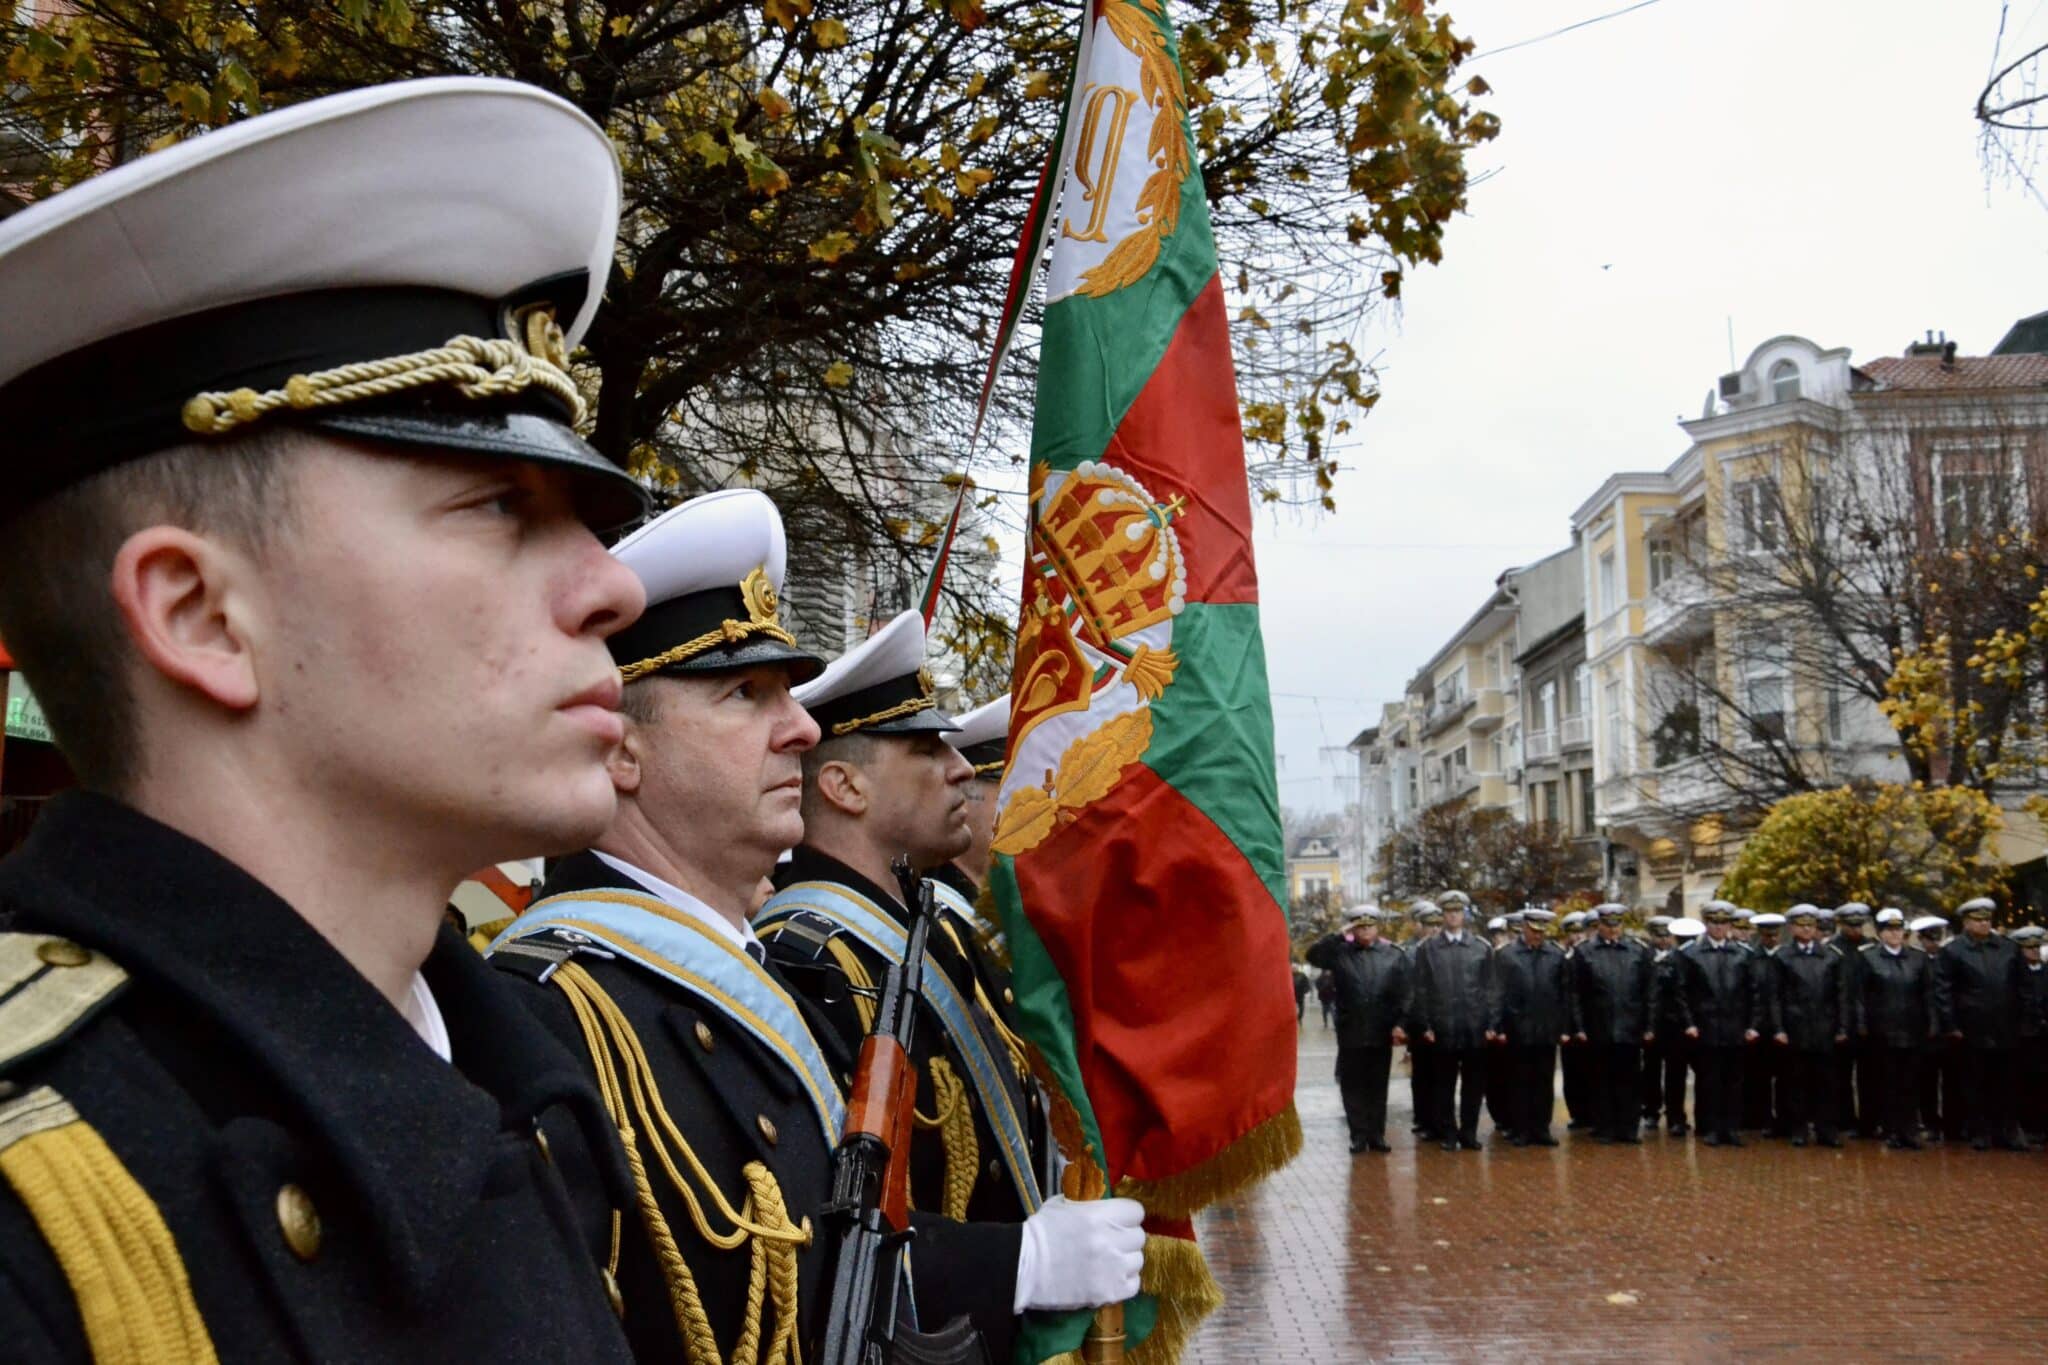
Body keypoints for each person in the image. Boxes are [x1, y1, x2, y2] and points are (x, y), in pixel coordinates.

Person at [0, 80, 657, 1359]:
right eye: (496, 508)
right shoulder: (37, 1221)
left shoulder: (505, 1076)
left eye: (581, 518)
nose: (613, 588)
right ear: (202, 616)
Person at [761, 612, 1047, 1223]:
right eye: (926, 748)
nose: (960, 768)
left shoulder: (926, 930)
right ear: (845, 787)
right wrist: (1020, 1260)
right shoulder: (806, 960)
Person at [1308, 908, 1412, 1153]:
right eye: (1360, 927)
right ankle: (1358, 1134)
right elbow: (1313, 955)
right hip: (1351, 1030)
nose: (1365, 931)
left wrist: (1401, 1024)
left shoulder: (1393, 954)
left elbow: (1406, 993)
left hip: (1381, 1030)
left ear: (1377, 928)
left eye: (1369, 926)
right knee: (1352, 1085)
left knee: (1378, 1085)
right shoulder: (1340, 953)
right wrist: (1338, 934)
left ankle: (1377, 1134)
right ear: (1352, 929)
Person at [1932, 897, 2030, 1150]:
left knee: (2007, 1082)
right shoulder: (1953, 951)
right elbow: (1943, 991)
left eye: (1987, 920)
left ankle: (2008, 1130)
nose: (1984, 924)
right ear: (1966, 922)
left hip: (2006, 1026)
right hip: (1972, 1027)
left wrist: (2024, 1018)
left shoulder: (2008, 948)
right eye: (1978, 920)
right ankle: (1980, 1130)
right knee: (1975, 1082)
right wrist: (1951, 1024)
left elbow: (2024, 986)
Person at [1568, 904, 1657, 1144]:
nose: (1613, 929)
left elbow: (1649, 992)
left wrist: (1649, 1026)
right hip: (1599, 1025)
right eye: (1608, 925)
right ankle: (1605, 1127)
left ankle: (1628, 1128)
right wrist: (1579, 1027)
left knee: (1630, 1079)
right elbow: (1575, 993)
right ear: (1599, 925)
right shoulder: (1584, 952)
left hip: (1630, 1025)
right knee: (1601, 1079)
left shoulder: (1638, 950)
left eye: (1617, 924)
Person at [1672, 901, 1759, 1147]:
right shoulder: (1690, 954)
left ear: (1729, 925)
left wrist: (1752, 1025)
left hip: (1735, 1026)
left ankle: (1731, 1128)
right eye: (1714, 922)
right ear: (1706, 924)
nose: (1719, 927)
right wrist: (1689, 1023)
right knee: (1709, 1080)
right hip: (1705, 1026)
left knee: (1734, 1081)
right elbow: (1681, 992)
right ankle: (1710, 1128)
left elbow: (1753, 992)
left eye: (1723, 923)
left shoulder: (1743, 954)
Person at [1411, 891, 1493, 1151]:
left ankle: (1469, 1133)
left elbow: (1491, 989)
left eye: (1458, 911)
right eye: (1449, 911)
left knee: (1474, 1085)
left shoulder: (1480, 947)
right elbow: (1421, 990)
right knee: (1443, 1085)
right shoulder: (1428, 949)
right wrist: (1426, 1025)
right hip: (1442, 1027)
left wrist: (1491, 1024)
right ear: (1443, 915)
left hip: (1473, 1028)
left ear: (1464, 914)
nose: (1453, 916)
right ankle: (1448, 1132)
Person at [1763, 906, 1851, 1148]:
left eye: (1811, 925)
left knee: (1826, 1082)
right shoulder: (1782, 957)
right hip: (1795, 1028)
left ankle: (1826, 1129)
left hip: (1825, 1028)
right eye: (1801, 925)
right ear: (1792, 928)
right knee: (1795, 1082)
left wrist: (1842, 1027)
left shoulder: (1831, 956)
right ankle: (1798, 1128)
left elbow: (1841, 995)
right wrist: (1778, 1028)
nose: (1807, 930)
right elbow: (1774, 996)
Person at [1856, 907, 1936, 1150]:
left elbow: (1928, 994)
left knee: (1911, 1082)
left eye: (1898, 929)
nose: (1895, 934)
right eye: (1889, 930)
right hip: (1882, 1031)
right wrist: (1862, 1024)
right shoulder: (1868, 958)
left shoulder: (1918, 958)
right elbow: (1860, 996)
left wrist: (1932, 1022)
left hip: (1913, 1029)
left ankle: (1909, 1130)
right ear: (1880, 933)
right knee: (1887, 1082)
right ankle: (1891, 1129)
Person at [1489, 908, 1570, 1146]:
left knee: (1544, 1081)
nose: (1537, 935)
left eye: (1541, 931)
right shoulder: (1507, 955)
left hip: (1546, 1028)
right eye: (1533, 930)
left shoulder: (1555, 954)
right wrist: (1497, 1026)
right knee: (1519, 1080)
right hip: (1517, 1028)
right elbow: (1497, 993)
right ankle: (1520, 1129)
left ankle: (1541, 1128)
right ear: (1524, 928)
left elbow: (1564, 994)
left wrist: (1564, 1027)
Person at [1829, 902, 1875, 1137]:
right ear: (1841, 925)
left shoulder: (1873, 947)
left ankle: (1869, 1122)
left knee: (1870, 1077)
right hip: (1841, 1021)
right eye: (1851, 925)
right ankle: (1844, 1120)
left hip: (1869, 1022)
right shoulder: (1831, 950)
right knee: (1840, 1076)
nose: (1856, 929)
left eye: (1859, 925)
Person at [1910, 914, 1955, 1139]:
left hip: (1950, 1029)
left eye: (1937, 938)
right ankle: (1930, 1122)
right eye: (1929, 938)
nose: (1934, 943)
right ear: (1921, 939)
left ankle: (1952, 1123)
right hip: (1924, 1029)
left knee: (1953, 1081)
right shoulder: (1916, 960)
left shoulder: (1950, 958)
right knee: (1925, 1080)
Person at [1743, 912, 1787, 1134]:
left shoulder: (1787, 957)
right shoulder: (1750, 958)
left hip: (1784, 1026)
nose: (1772, 939)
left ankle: (1785, 1118)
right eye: (1768, 935)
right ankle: (1763, 1119)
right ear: (1760, 935)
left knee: (1786, 1076)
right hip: (1759, 1026)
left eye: (1775, 934)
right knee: (1760, 1076)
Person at [1403, 901, 1443, 1139]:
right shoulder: (1411, 952)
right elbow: (1408, 990)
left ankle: (1438, 1121)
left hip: (1444, 1022)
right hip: (1419, 1023)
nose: (1435, 929)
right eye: (1430, 925)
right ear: (1420, 927)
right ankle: (1424, 1118)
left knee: (1441, 1075)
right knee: (1422, 1076)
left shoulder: (1448, 950)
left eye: (1438, 925)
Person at [2012, 925, 2048, 1144]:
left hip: (2044, 1037)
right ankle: (2028, 1125)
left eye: (2037, 947)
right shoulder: (2014, 973)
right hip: (2024, 1036)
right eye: (2029, 947)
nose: (2034, 951)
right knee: (2025, 1081)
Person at [1294, 962, 1314, 1027]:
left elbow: (1307, 984)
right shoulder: (1289, 975)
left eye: (1295, 968)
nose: (1294, 969)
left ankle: (1299, 1018)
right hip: (1292, 996)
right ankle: (1293, 1020)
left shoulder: (1302, 975)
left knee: (1302, 1009)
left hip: (1300, 995)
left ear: (1297, 968)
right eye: (1293, 968)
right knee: (1292, 1009)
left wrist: (1306, 990)